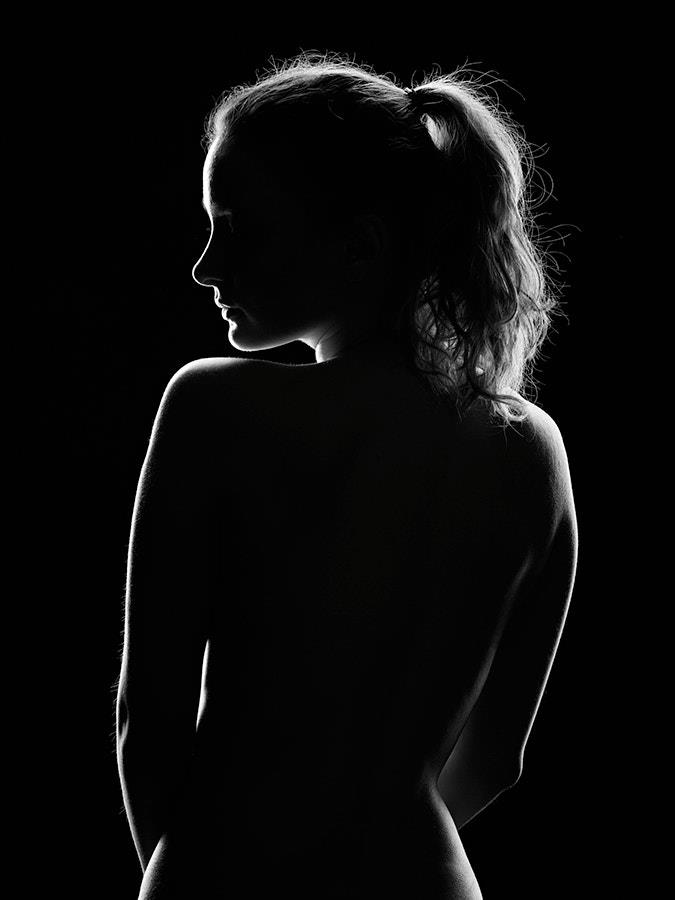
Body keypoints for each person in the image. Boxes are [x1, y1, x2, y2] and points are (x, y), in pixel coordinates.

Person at [116, 51, 578, 900]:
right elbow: (497, 760)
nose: (206, 266)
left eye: (239, 228)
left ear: (360, 244)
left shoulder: (213, 406)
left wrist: (182, 867)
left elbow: (148, 718)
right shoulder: (530, 448)